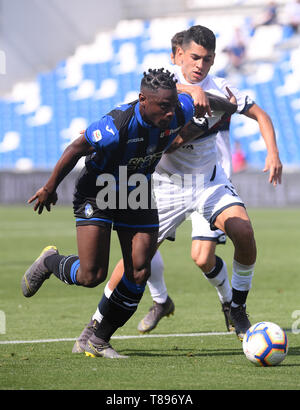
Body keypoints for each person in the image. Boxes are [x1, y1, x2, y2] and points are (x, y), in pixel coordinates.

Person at [73, 25, 276, 355]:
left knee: (243, 231)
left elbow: (257, 113)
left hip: (209, 181)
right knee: (133, 263)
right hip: (165, 188)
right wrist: (186, 89)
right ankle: (94, 327)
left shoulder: (222, 90)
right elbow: (141, 112)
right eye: (195, 57)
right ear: (178, 55)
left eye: (207, 60)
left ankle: (236, 307)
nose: (200, 65)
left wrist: (273, 153)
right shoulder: (161, 88)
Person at [22, 67, 235, 358]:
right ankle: (50, 262)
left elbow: (209, 104)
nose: (170, 113)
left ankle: (100, 340)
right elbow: (75, 148)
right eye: (163, 106)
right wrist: (49, 187)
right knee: (91, 274)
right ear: (142, 100)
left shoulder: (178, 109)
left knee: (139, 270)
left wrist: (229, 105)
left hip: (136, 190)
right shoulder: (115, 126)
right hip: (100, 189)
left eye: (173, 105)